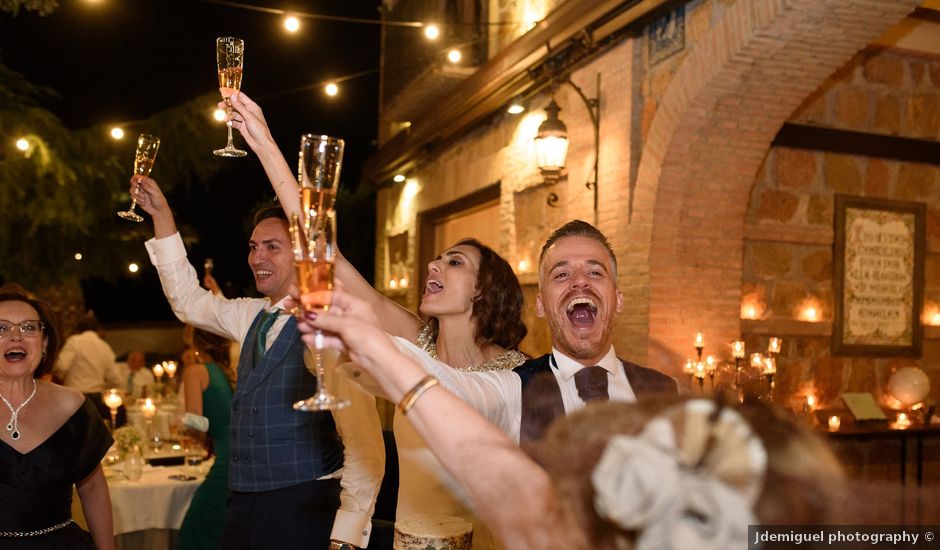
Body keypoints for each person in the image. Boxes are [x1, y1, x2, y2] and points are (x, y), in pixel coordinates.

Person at [295, 289, 847, 549]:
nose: (580, 283)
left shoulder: (668, 395)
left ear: (618, 297)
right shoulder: (514, 383)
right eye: (561, 273)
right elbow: (468, 424)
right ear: (542, 303)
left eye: (594, 272)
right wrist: (377, 350)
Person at [225, 90, 528, 549]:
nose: (433, 266)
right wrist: (265, 143)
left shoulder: (518, 374)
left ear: (485, 291)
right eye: (436, 260)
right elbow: (323, 248)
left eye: (455, 263)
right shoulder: (413, 340)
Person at [131, 175, 385, 550]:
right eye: (253, 247)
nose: (256, 257)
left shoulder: (332, 325)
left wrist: (347, 534)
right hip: (241, 500)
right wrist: (163, 216)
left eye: (272, 247)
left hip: (303, 503)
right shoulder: (252, 315)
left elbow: (364, 442)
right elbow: (187, 300)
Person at [0, 284, 115, 549]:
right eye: (1, 328)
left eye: (28, 327)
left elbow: (93, 488)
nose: (16, 336)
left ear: (44, 343)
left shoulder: (72, 405)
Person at [177, 328, 237, 550]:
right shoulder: (229, 372)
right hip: (240, 455)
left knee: (196, 531)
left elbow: (195, 423)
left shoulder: (195, 371)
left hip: (225, 464)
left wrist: (190, 432)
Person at [53, 311, 127, 428]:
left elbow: (62, 366)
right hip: (97, 400)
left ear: (78, 329)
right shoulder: (104, 346)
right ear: (97, 330)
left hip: (75, 398)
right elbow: (116, 379)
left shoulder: (74, 341)